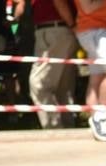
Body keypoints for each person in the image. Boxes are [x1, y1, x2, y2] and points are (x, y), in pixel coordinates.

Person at [74, 0, 106, 141]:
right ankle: (100, 117)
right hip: (94, 31)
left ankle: (96, 121)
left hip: (100, 30)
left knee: (96, 78)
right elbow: (88, 7)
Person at [28, 0, 80, 128]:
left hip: (54, 31)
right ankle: (68, 132)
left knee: (39, 85)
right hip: (59, 30)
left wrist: (72, 25)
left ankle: (55, 129)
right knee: (64, 88)